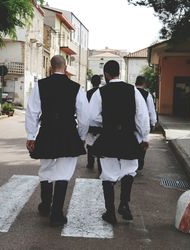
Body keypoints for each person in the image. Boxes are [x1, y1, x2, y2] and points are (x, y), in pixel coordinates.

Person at [25, 55, 89, 227]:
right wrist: (82, 136)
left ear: (51, 67)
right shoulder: (76, 88)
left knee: (46, 167)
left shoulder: (40, 86)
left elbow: (32, 112)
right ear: (65, 66)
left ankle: (45, 205)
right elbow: (84, 117)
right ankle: (57, 213)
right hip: (68, 133)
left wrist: (31, 135)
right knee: (64, 171)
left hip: (47, 131)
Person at [89, 60, 150, 225]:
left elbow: (92, 116)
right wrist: (144, 137)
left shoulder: (100, 92)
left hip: (108, 136)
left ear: (106, 75)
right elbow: (142, 116)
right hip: (128, 137)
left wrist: (107, 121)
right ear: (119, 73)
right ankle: (124, 204)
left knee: (108, 173)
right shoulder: (133, 91)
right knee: (129, 170)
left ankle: (110, 213)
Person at [135, 75, 157, 171]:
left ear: (136, 83)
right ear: (144, 83)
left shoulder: (131, 92)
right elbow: (151, 110)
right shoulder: (147, 94)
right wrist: (153, 122)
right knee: (143, 143)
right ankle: (140, 162)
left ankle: (133, 161)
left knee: (133, 142)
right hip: (143, 123)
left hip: (131, 123)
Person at [86, 75, 101, 173]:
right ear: (100, 82)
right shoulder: (102, 92)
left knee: (90, 143)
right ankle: (100, 163)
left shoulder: (87, 93)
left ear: (91, 82)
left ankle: (90, 163)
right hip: (100, 123)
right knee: (100, 143)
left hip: (89, 122)